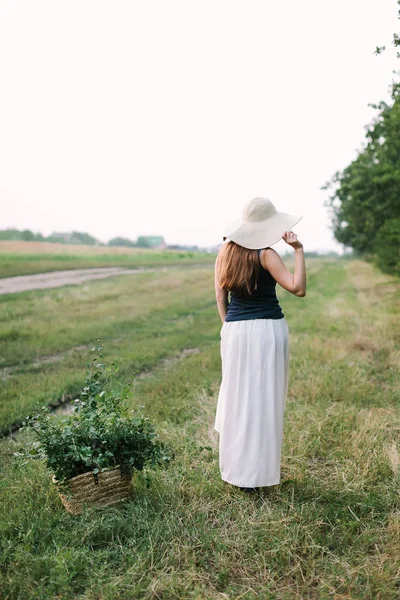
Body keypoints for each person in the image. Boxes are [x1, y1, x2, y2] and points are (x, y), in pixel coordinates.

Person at [214, 197, 306, 493]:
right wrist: (298, 250)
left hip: (235, 332)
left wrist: (229, 326)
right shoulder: (266, 255)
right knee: (263, 400)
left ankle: (237, 471)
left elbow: (220, 296)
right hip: (266, 331)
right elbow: (298, 288)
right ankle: (258, 473)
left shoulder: (224, 253)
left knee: (238, 400)